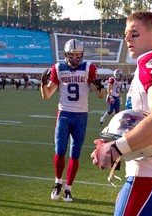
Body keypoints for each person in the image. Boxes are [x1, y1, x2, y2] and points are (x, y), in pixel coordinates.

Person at [91, 12, 152, 215]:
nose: (127, 38)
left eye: (134, 33)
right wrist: (114, 142)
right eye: (126, 34)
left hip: (151, 176)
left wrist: (116, 148)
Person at [40, 38, 105, 202]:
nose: (75, 58)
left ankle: (68, 188)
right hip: (64, 114)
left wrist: (100, 87)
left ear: (81, 55)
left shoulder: (88, 67)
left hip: (81, 115)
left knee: (74, 154)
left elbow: (100, 95)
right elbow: (47, 95)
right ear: (66, 55)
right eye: (72, 55)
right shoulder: (59, 67)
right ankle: (57, 183)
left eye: (78, 55)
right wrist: (43, 83)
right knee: (59, 151)